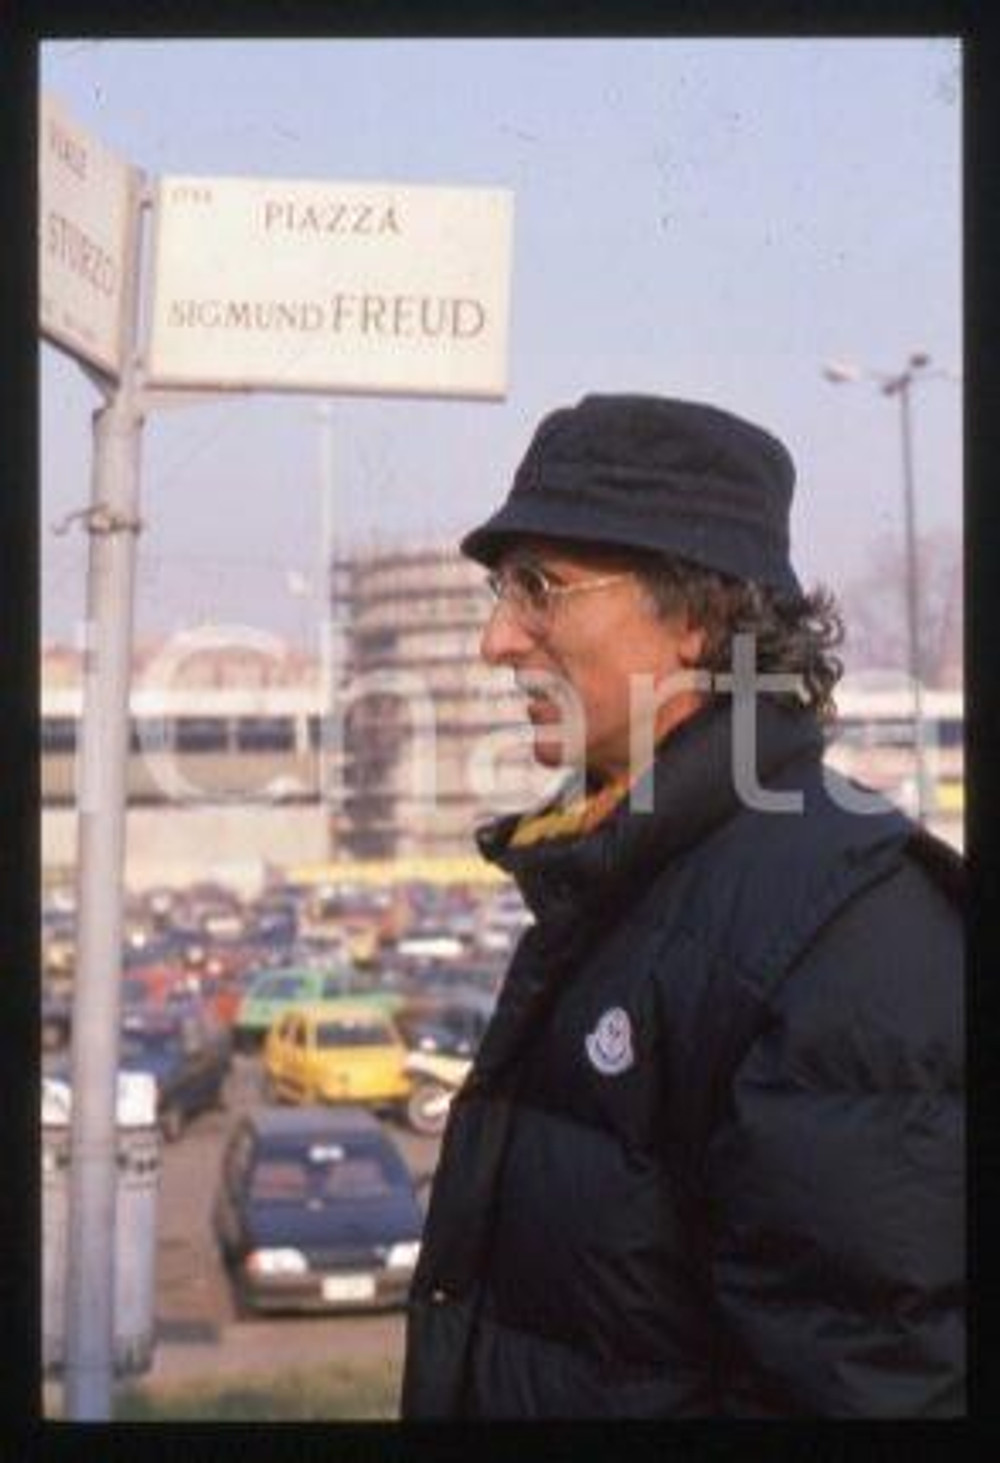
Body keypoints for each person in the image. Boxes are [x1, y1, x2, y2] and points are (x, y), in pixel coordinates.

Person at [400, 394, 964, 1419]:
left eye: (540, 588)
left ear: (699, 615)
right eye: (499, 587)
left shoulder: (843, 925)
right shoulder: (622, 865)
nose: (494, 639)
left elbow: (866, 1385)